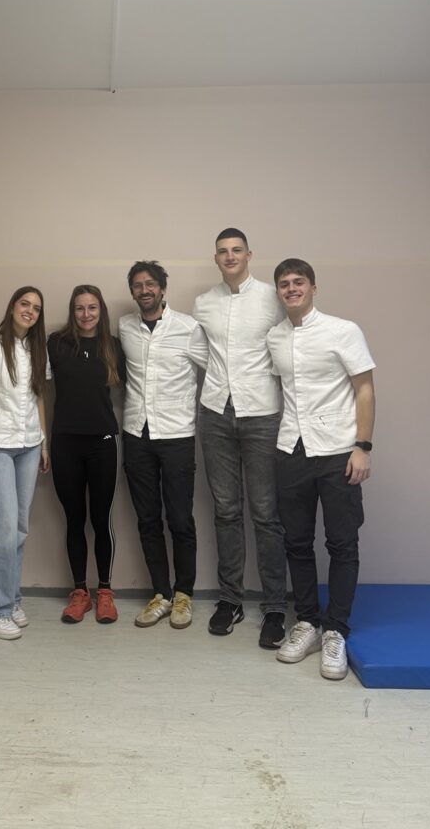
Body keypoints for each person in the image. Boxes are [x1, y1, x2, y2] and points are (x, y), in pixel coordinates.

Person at [267, 259, 376, 681]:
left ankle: (336, 630)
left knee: (342, 543)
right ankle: (308, 622)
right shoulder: (275, 337)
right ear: (278, 292)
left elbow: (364, 389)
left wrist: (362, 447)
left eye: (299, 282)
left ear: (314, 287)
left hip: (337, 451)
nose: (291, 288)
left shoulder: (342, 331)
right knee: (296, 541)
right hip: (291, 449)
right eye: (284, 284)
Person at [193, 228, 287, 648]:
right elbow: (201, 352)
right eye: (222, 251)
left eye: (236, 250)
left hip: (262, 413)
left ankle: (275, 606)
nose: (229, 256)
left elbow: (286, 346)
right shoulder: (204, 303)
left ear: (249, 254)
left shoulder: (271, 297)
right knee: (226, 510)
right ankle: (230, 600)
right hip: (215, 412)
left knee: (266, 513)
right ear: (215, 258)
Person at [119, 261, 207, 630]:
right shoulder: (125, 327)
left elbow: (215, 371)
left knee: (180, 519)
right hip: (136, 434)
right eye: (138, 285)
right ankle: (161, 594)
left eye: (151, 284)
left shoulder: (188, 327)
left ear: (162, 289)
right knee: (147, 519)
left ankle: (184, 594)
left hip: (176, 436)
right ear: (133, 291)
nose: (145, 290)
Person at [0, 287, 51, 640]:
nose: (29, 311)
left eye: (36, 308)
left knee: (18, 528)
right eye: (24, 304)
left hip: (29, 445)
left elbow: (38, 398)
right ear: (13, 306)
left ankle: (12, 598)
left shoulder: (36, 348)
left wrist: (43, 441)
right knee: (2, 528)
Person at [48, 285, 125, 624]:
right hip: (65, 443)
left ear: (100, 310)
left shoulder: (113, 346)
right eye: (79, 308)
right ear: (72, 311)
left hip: (102, 443)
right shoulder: (57, 344)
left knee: (101, 519)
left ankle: (105, 591)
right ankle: (80, 592)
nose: (86, 314)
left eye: (92, 307)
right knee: (74, 520)